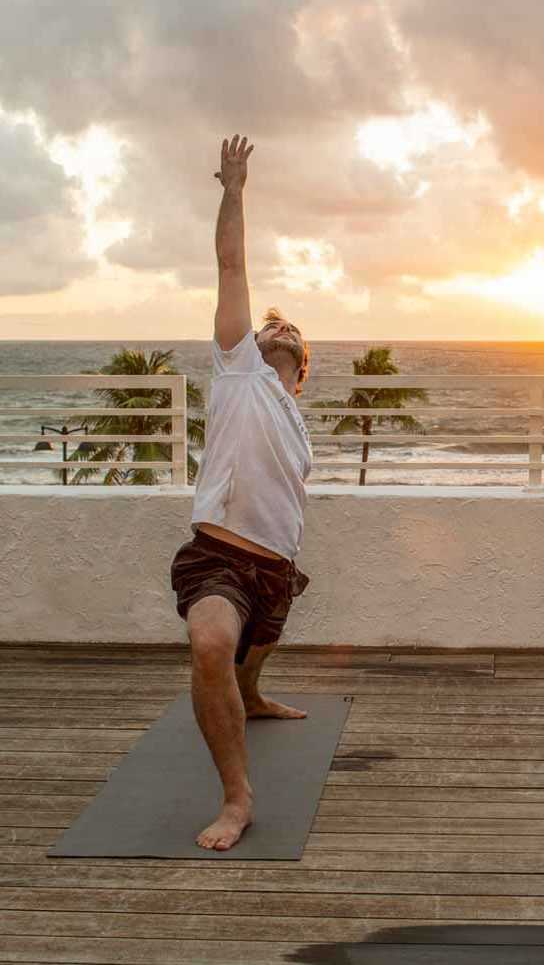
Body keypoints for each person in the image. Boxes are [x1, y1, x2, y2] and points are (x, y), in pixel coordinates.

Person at [169, 134, 314, 851]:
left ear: (302, 370)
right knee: (211, 645)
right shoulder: (239, 371)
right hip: (219, 557)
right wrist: (234, 190)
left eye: (291, 331)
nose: (277, 328)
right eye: (270, 326)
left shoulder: (299, 423)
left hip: (275, 569)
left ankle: (250, 696)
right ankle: (238, 796)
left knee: (252, 651)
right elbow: (230, 264)